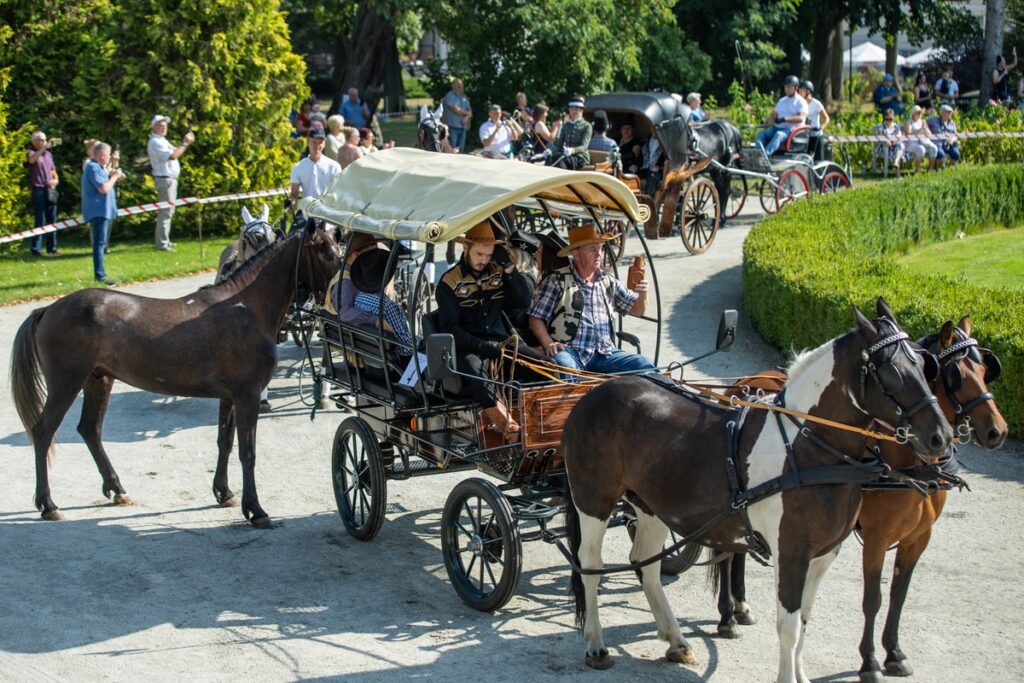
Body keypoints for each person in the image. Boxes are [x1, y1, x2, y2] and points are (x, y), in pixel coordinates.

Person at [436, 221, 547, 434]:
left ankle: (541, 422)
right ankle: (508, 426)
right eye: (479, 254)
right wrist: (482, 345)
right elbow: (450, 328)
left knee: (544, 366)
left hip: (502, 344)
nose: (484, 260)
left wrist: (509, 268)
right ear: (465, 247)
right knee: (476, 371)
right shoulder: (448, 282)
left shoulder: (498, 272)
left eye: (488, 255)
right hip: (468, 348)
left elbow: (523, 301)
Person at [529, 224, 655, 378]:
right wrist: (547, 342)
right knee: (564, 368)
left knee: (644, 365)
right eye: (592, 250)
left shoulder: (607, 281)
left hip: (605, 354)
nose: (599, 254)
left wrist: (642, 294)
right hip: (571, 351)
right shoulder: (557, 280)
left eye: (601, 248)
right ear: (576, 253)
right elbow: (535, 317)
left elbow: (637, 310)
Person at [348, 247, 413, 355]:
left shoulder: (357, 300)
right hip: (394, 365)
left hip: (370, 359)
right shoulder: (387, 306)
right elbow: (406, 348)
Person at [147, 114, 195, 252]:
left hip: (169, 179)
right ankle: (162, 243)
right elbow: (173, 156)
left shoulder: (162, 140)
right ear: (154, 127)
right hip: (165, 179)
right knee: (165, 212)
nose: (164, 127)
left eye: (165, 125)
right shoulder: (155, 142)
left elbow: (175, 152)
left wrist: (184, 144)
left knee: (168, 211)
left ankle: (165, 240)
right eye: (160, 125)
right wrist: (185, 143)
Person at [81, 142, 125, 286]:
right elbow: (103, 188)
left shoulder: (100, 168)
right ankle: (100, 276)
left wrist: (115, 175)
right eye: (108, 154)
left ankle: (100, 274)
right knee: (99, 244)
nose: (109, 157)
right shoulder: (93, 168)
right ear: (101, 155)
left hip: (104, 210)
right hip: (98, 211)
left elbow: (109, 176)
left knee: (101, 243)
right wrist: (114, 177)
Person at [25, 131, 60, 256]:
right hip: (38, 189)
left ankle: (52, 248)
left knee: (52, 218)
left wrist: (55, 180)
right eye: (40, 140)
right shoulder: (32, 153)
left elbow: (53, 171)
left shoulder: (49, 155)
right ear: (34, 142)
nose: (43, 142)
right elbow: (32, 160)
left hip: (50, 189)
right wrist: (44, 148)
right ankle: (36, 249)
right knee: (40, 219)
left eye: (44, 140)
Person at [756, 75, 808, 156]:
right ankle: (757, 155)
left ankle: (765, 156)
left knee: (778, 135)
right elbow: (774, 115)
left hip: (791, 130)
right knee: (761, 134)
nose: (786, 89)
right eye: (785, 87)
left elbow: (801, 118)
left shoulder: (801, 102)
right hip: (777, 128)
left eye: (789, 87)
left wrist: (785, 119)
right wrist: (769, 121)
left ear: (796, 87)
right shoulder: (782, 101)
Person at [289, 128, 342, 207]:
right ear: (308, 142)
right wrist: (290, 203)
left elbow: (338, 193)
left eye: (320, 142)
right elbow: (294, 195)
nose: (317, 146)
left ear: (324, 144)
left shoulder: (334, 166)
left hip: (326, 213)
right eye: (314, 142)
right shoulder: (298, 167)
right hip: (306, 212)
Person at [549, 96, 592, 169]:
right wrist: (550, 151)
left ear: (581, 110)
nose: (574, 111)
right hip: (567, 156)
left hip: (580, 157)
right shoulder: (566, 126)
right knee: (550, 159)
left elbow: (584, 147)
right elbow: (559, 145)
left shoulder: (587, 126)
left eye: (576, 109)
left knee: (561, 162)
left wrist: (572, 150)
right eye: (571, 109)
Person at [798, 80, 829, 160]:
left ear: (808, 91)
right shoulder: (800, 104)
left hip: (816, 134)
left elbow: (826, 118)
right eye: (799, 91)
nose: (800, 93)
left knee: (819, 159)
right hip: (805, 135)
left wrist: (821, 127)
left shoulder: (816, 103)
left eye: (802, 91)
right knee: (804, 158)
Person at [903, 105, 939, 172]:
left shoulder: (923, 122)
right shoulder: (909, 122)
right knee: (921, 149)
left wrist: (925, 130)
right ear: (913, 114)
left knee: (934, 148)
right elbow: (908, 133)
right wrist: (920, 130)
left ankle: (930, 169)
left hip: (924, 142)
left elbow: (930, 133)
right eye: (918, 113)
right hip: (912, 143)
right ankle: (917, 169)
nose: (920, 114)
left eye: (920, 113)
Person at [873, 108, 906, 178]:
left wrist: (895, 139)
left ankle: (896, 163)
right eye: (887, 119)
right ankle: (896, 170)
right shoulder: (882, 127)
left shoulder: (896, 127)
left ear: (893, 118)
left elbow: (900, 136)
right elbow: (878, 138)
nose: (889, 121)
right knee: (898, 149)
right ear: (884, 118)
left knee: (900, 146)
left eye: (890, 119)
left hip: (895, 146)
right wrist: (884, 141)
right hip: (884, 147)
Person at [442, 78, 471, 153]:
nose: (460, 86)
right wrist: (468, 114)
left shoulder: (464, 96)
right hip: (451, 127)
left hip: (463, 127)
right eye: (457, 84)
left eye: (461, 84)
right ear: (453, 85)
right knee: (452, 149)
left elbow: (469, 110)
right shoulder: (449, 95)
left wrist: (466, 117)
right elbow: (455, 110)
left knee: (461, 149)